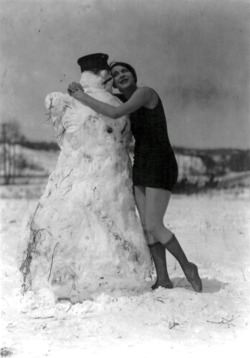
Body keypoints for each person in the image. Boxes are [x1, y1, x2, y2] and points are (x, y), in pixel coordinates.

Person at [68, 60, 202, 292]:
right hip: (141, 163)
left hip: (161, 162)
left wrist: (81, 96)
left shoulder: (145, 93)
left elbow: (115, 111)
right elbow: (107, 103)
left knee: (154, 223)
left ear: (134, 74)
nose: (121, 75)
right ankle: (163, 279)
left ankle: (188, 265)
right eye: (115, 73)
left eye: (124, 71)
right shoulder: (126, 100)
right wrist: (83, 90)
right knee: (146, 226)